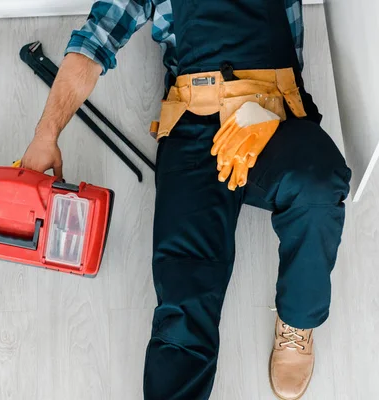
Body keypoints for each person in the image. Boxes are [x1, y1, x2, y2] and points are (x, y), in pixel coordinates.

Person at [20, 0, 351, 399]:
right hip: (198, 127)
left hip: (276, 116)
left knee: (318, 188)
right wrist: (46, 134)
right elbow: (93, 44)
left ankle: (298, 320)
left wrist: (266, 114)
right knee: (184, 302)